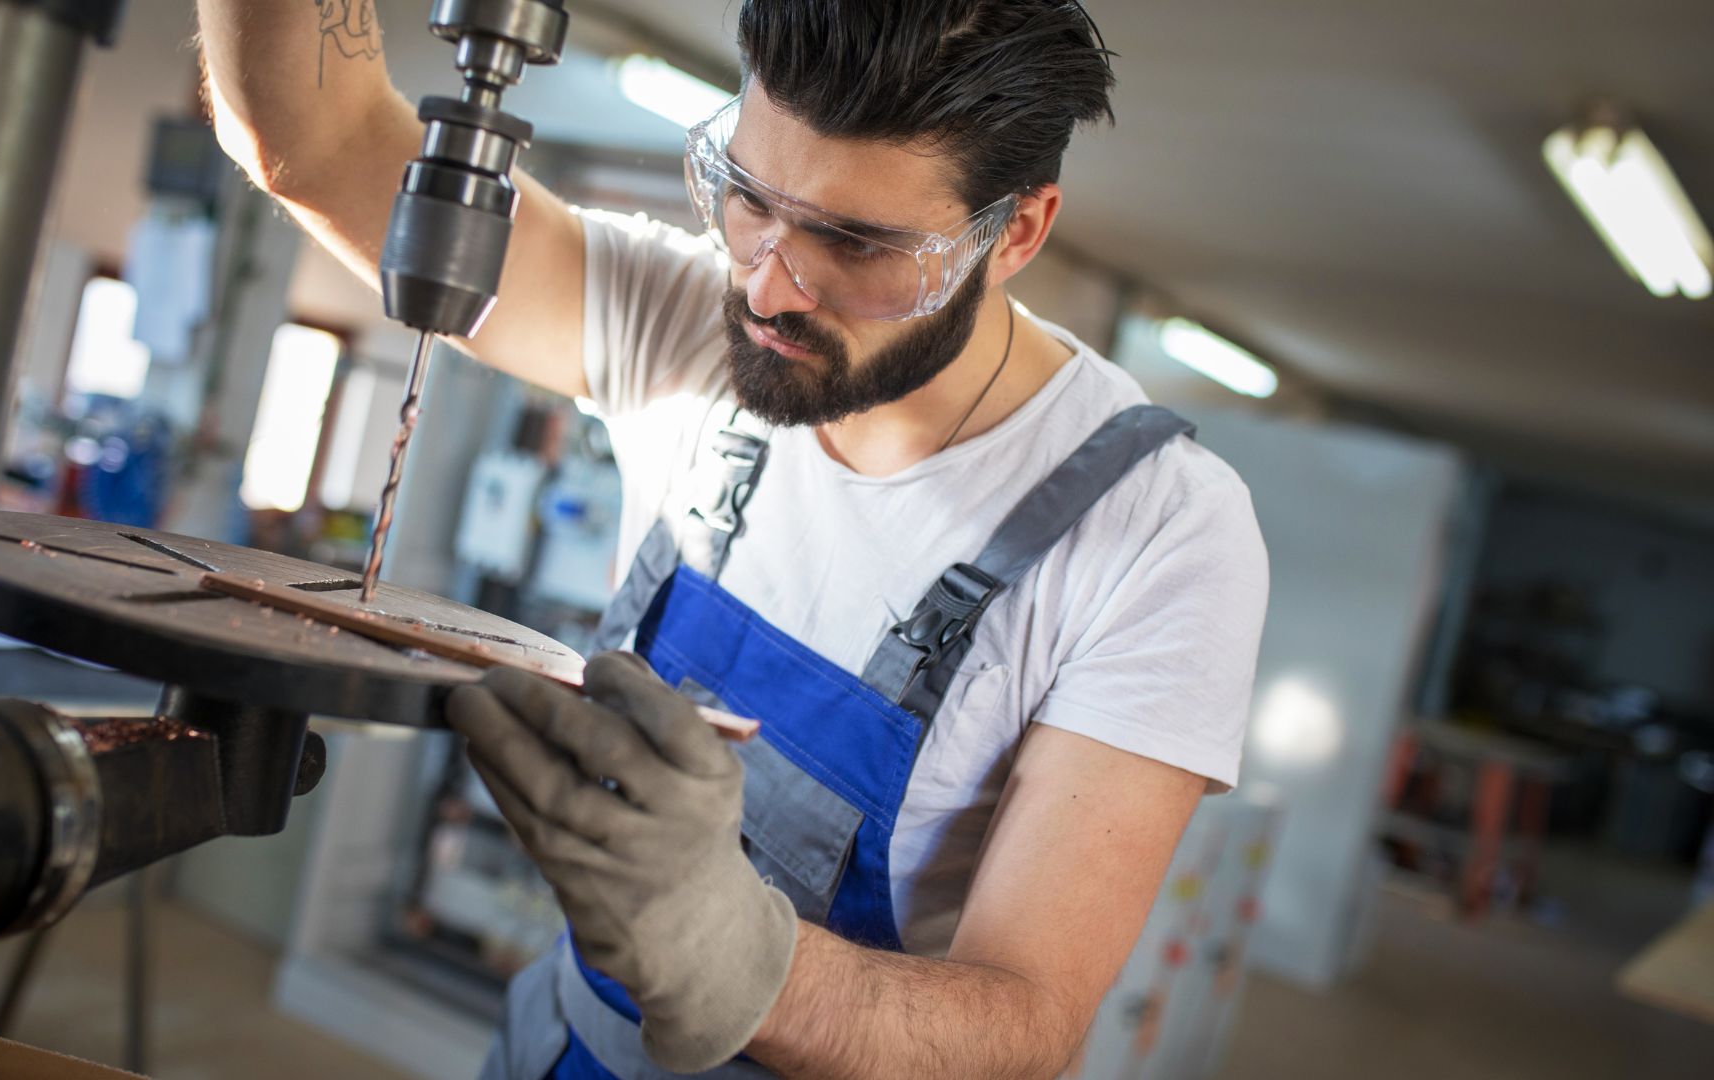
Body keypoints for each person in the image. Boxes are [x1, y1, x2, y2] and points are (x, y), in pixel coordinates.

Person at [197, 1, 1269, 1075]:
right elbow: (321, 142)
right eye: (749, 198)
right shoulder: (682, 324)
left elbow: (1026, 1030)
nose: (767, 286)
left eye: (854, 243)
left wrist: (735, 957)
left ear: (1016, 233)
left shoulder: (1157, 535)